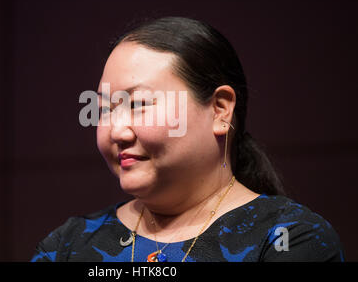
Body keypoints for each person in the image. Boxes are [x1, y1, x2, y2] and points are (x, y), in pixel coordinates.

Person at [31, 16, 344, 262]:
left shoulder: (288, 239)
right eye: (104, 110)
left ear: (220, 109)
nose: (117, 132)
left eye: (139, 105)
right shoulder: (68, 246)